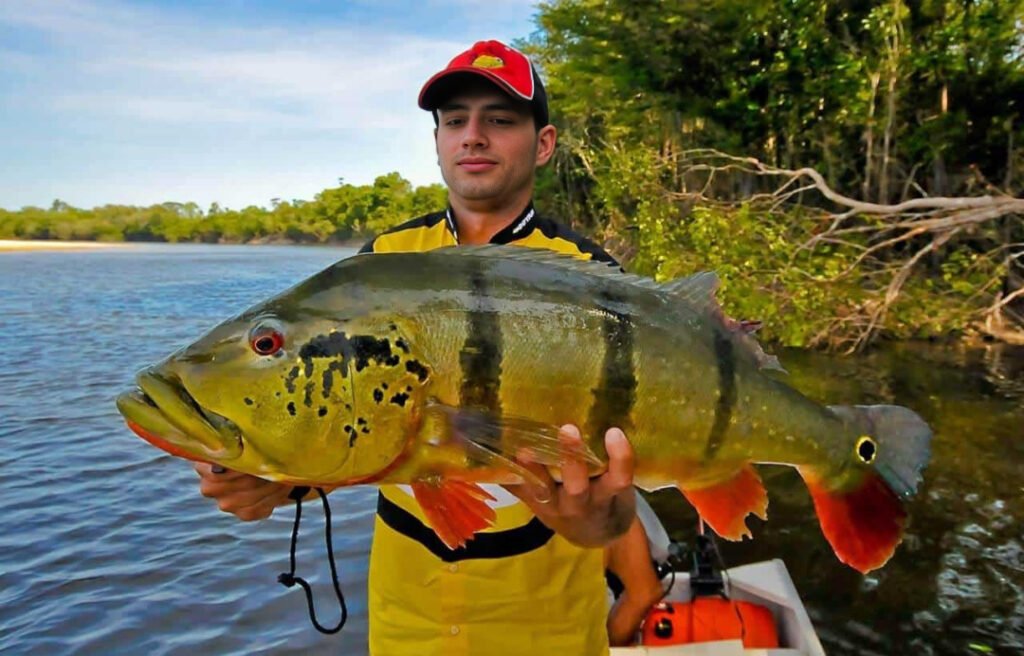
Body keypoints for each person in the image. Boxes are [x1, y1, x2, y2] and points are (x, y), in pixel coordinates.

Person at [194, 40, 662, 654]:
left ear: (543, 144)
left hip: (545, 621)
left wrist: (605, 528)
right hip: (406, 616)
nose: (473, 136)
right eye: (454, 121)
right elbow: (367, 425)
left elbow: (613, 478)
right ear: (438, 141)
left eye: (499, 119)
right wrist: (281, 481)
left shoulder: (589, 279)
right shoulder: (379, 266)